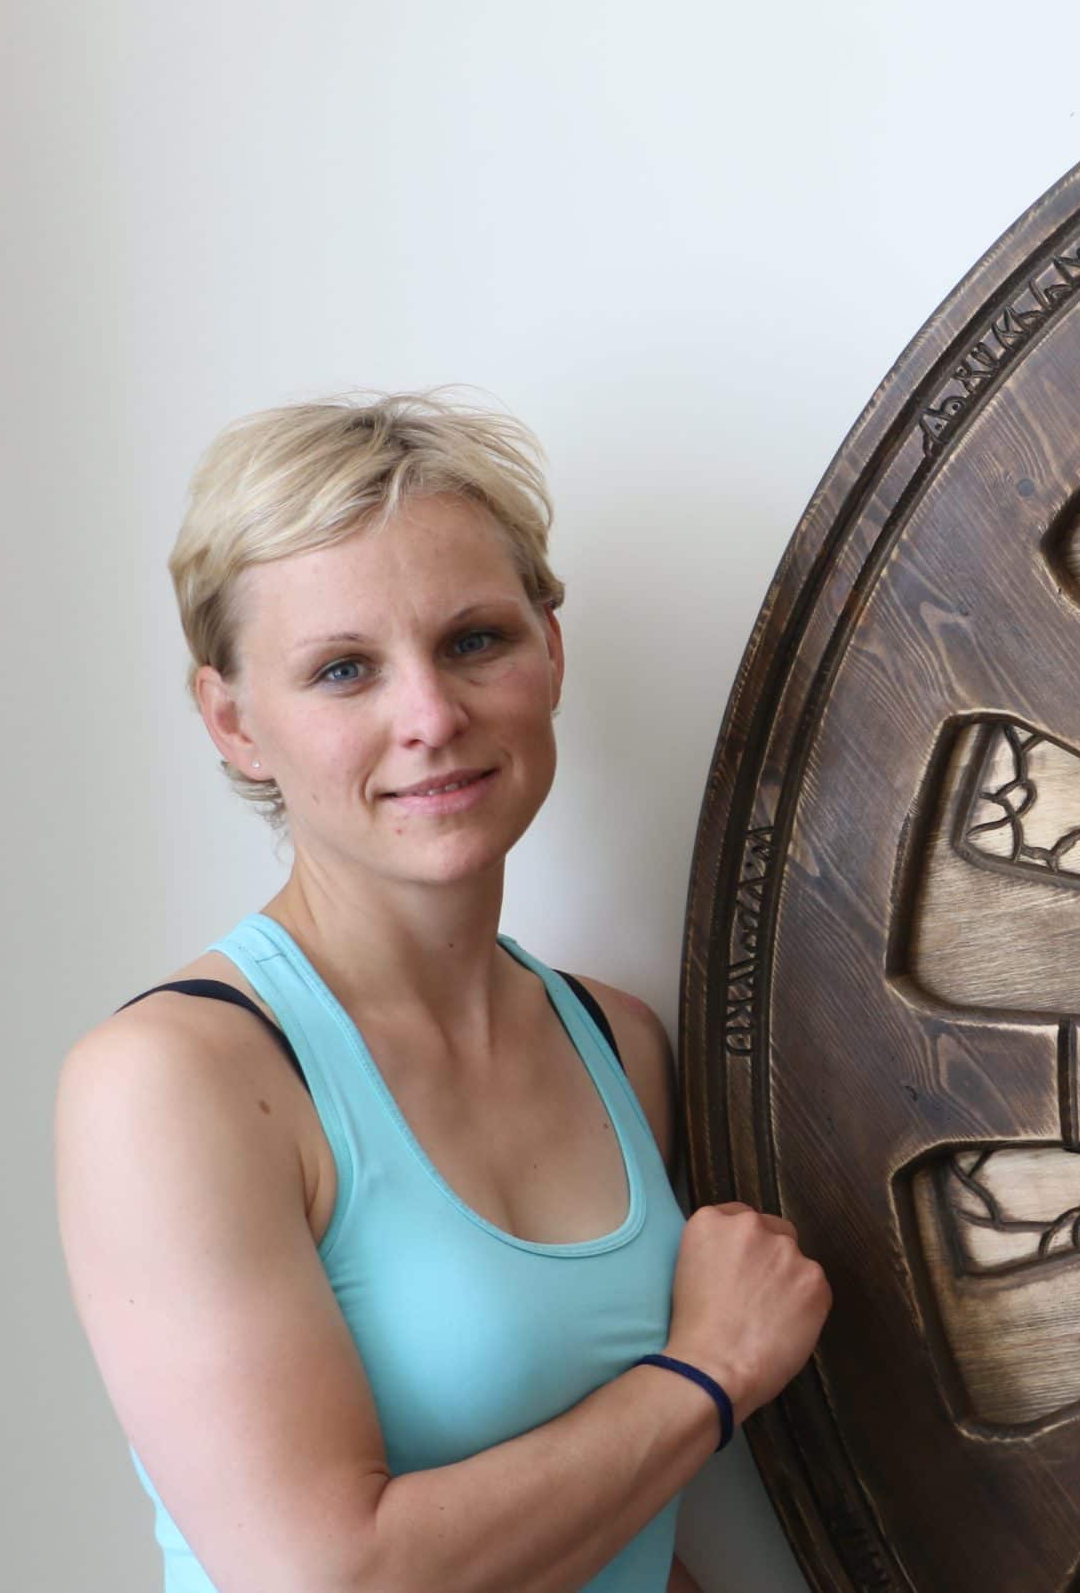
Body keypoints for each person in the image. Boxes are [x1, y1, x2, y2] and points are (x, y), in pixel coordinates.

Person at [54, 391, 830, 1592]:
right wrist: (711, 1371)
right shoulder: (174, 1083)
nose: (429, 717)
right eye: (343, 669)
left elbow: (608, 1536)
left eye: (473, 640)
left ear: (550, 649)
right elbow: (327, 1578)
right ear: (234, 721)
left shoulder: (617, 1043)